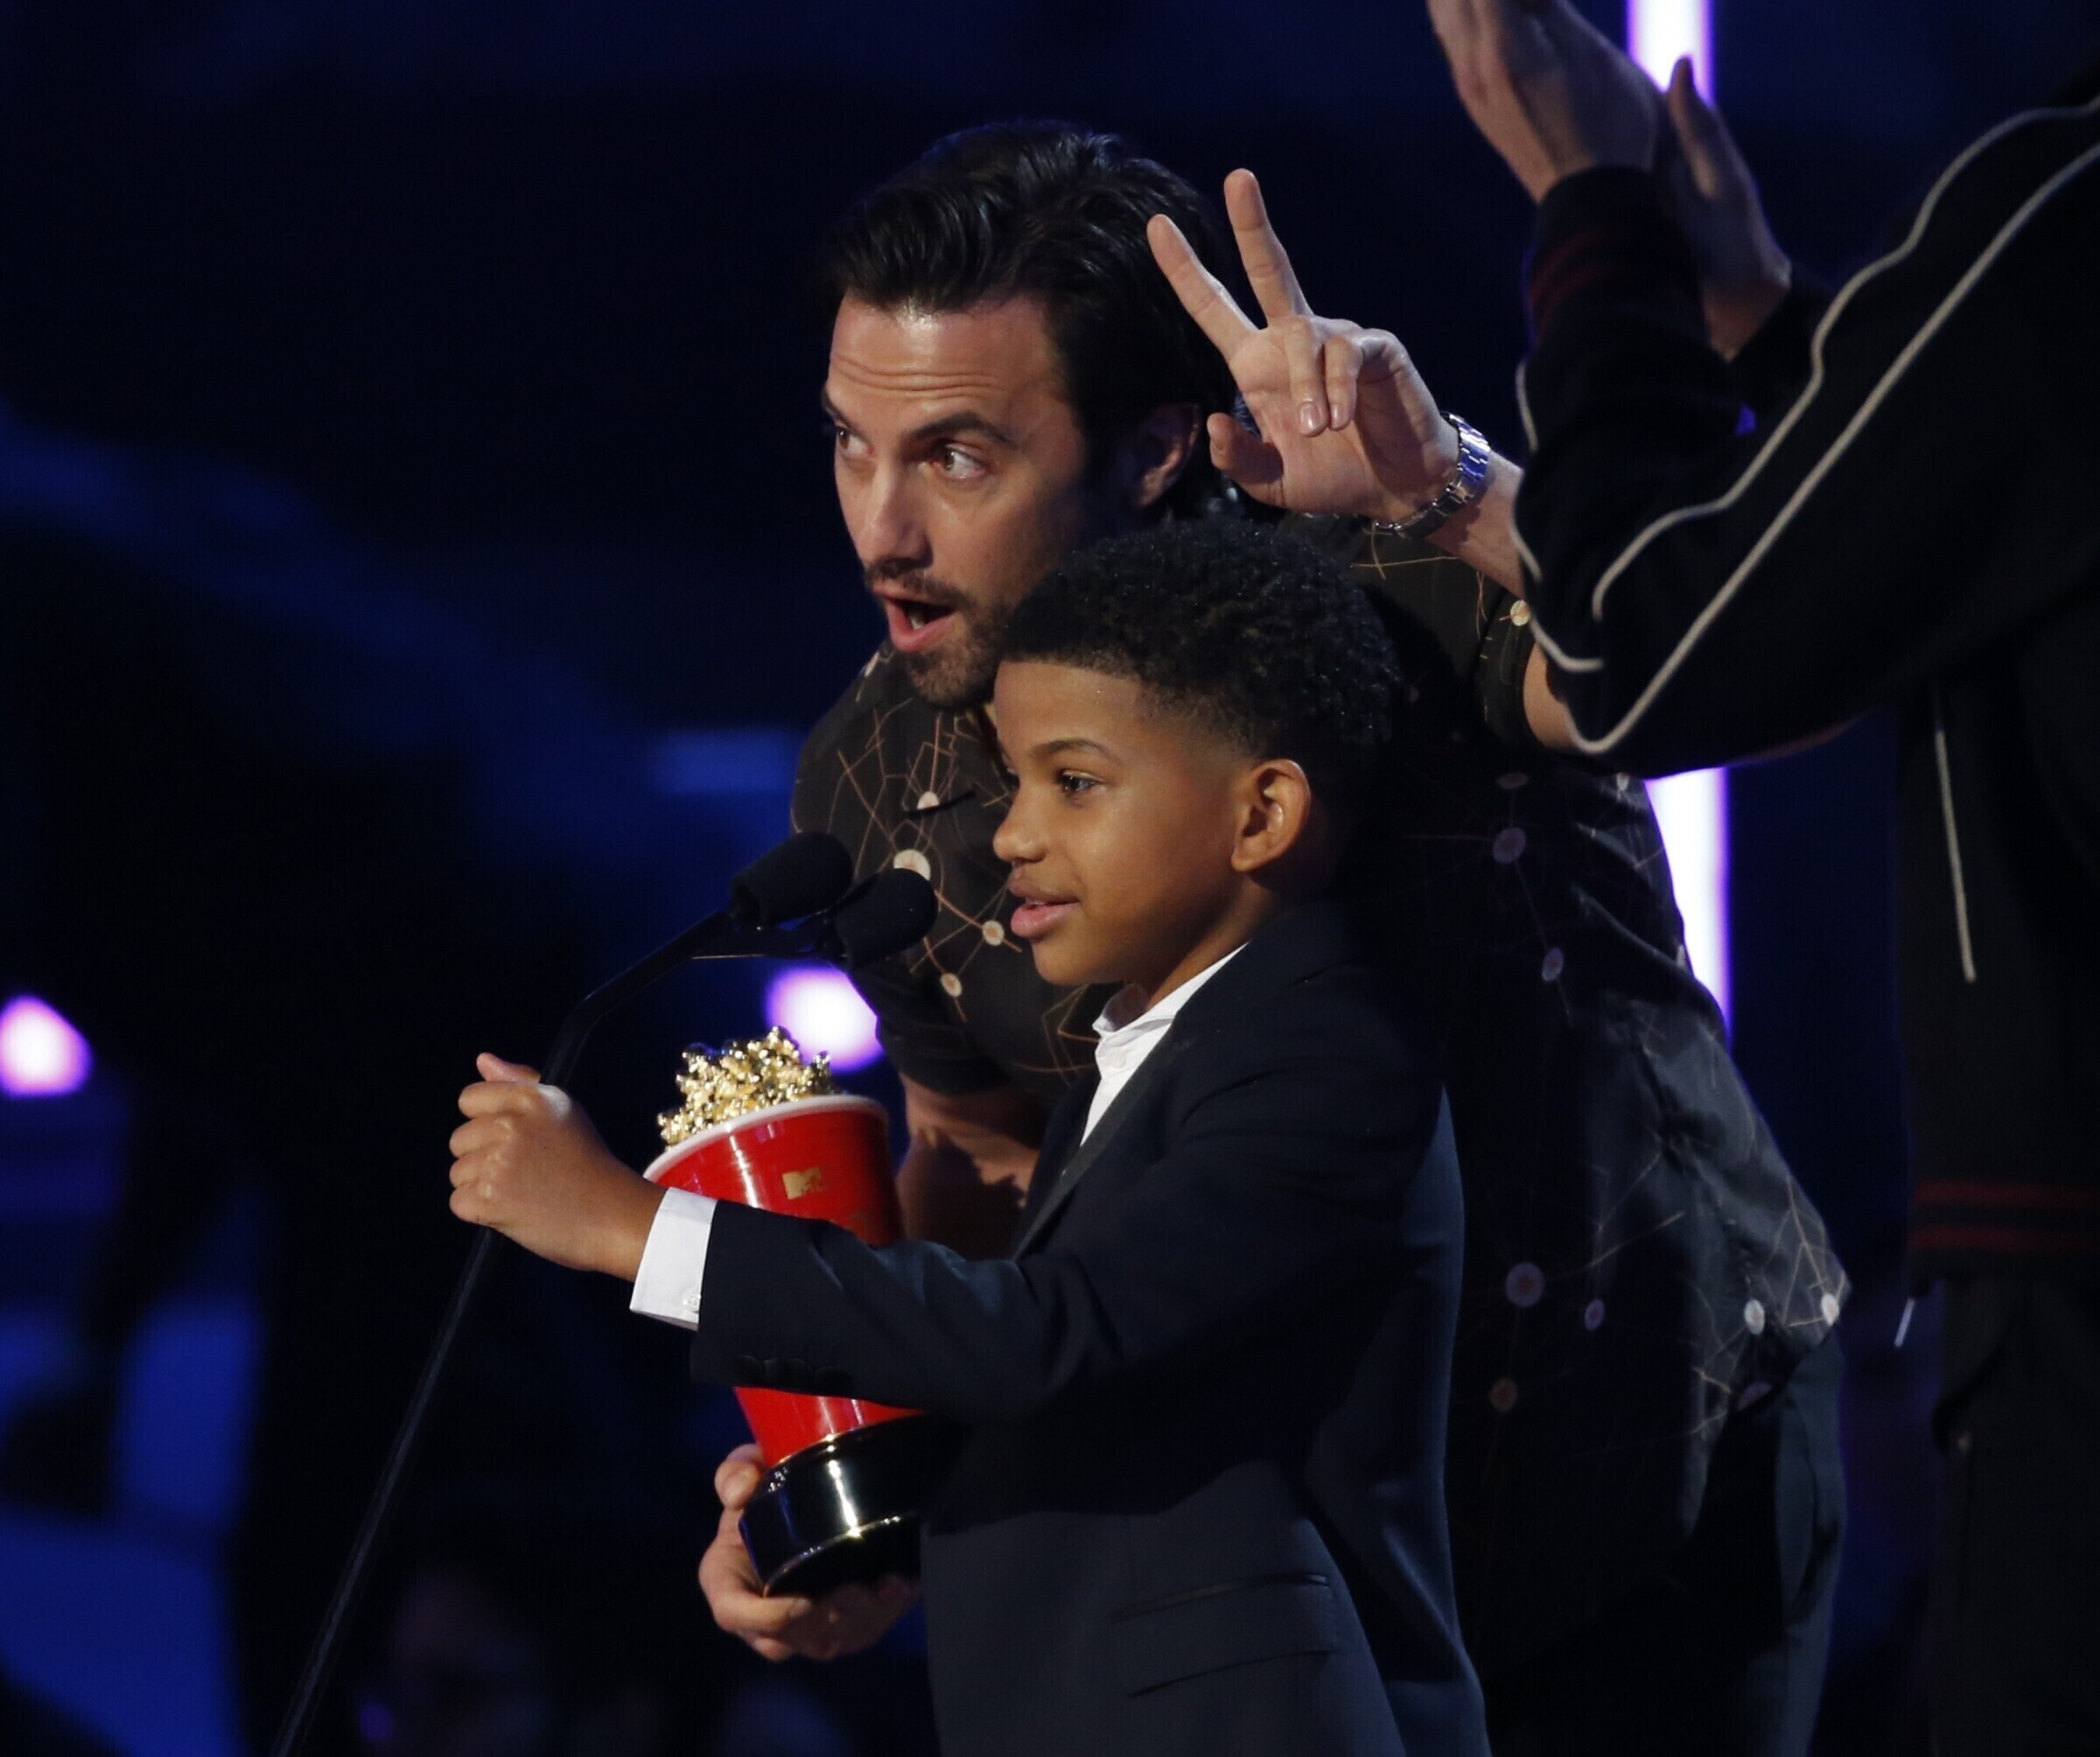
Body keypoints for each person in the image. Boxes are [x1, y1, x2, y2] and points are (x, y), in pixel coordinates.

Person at [725, 122, 1845, 1753]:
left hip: (1653, 1443)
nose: (880, 529)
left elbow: (1774, 673)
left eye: (957, 458)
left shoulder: (1393, 564)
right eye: (850, 445)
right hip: (1301, 1560)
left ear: (1153, 445)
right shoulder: (875, 775)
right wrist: (865, 1471)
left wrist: (1454, 489)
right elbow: (980, 1152)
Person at [446, 517, 1488, 1756]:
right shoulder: (1148, 1062)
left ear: (1262, 812)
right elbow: (1125, 1402)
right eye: (1012, 779)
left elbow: (1060, 1332)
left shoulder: (1326, 1050)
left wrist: (635, 1228)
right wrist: (851, 1519)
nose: (1011, 835)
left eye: (1074, 782)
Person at [1421, 5, 2100, 1748]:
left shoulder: (2065, 209)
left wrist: (1595, 215)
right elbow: (1958, 527)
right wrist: (1773, 327)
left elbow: (1643, 647)